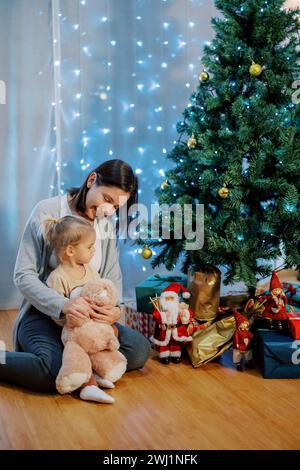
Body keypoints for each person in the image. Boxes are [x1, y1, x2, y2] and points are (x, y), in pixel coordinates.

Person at [0, 159, 151, 392]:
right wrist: (63, 305)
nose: (107, 210)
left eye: (115, 207)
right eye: (107, 199)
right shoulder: (47, 211)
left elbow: (112, 276)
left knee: (139, 349)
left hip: (90, 323)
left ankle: (82, 367)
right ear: (92, 180)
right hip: (46, 315)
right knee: (51, 371)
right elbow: (23, 275)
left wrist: (115, 309)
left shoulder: (105, 224)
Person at [43, 215, 122, 404]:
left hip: (92, 325)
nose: (94, 250)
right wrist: (77, 321)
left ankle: (100, 369)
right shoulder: (57, 278)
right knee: (78, 349)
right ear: (71, 250)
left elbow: (100, 293)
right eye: (89, 247)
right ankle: (88, 385)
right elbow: (58, 314)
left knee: (113, 332)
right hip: (72, 329)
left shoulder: (90, 271)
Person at [150, 283, 193, 364]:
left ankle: (175, 355)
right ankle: (164, 356)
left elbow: (189, 314)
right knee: (163, 343)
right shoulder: (160, 308)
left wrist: (185, 313)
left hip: (176, 330)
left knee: (175, 342)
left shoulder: (179, 308)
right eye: (167, 299)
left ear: (176, 299)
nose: (169, 301)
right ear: (163, 299)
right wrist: (163, 315)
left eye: (171, 298)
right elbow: (155, 315)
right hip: (164, 330)